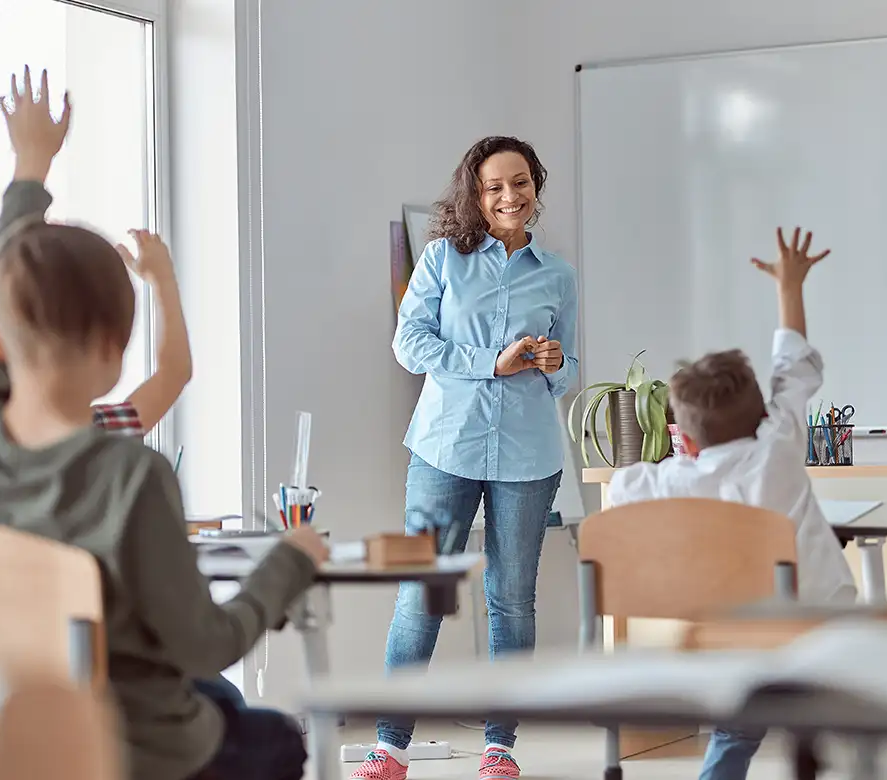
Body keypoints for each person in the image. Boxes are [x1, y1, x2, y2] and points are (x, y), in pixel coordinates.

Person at [0, 66, 327, 780]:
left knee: (220, 702)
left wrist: (30, 168)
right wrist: (290, 563)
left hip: (15, 729)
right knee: (272, 736)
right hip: (131, 745)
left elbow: (10, 290)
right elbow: (204, 643)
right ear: (114, 357)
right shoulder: (126, 470)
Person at [351, 136, 578, 780]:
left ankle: (499, 749)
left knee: (512, 599)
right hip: (445, 446)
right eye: (494, 187)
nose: (509, 196)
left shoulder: (557, 274)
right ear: (476, 195)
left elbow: (570, 366)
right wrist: (488, 363)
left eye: (520, 183)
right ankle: (389, 748)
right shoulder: (443, 258)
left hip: (529, 455)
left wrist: (558, 364)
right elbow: (409, 343)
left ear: (536, 186)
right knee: (423, 590)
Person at [608, 226, 857, 780]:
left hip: (735, 645)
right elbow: (794, 372)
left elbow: (624, 487)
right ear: (764, 417)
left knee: (739, 719)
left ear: (686, 439)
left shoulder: (669, 481)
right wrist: (789, 287)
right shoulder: (780, 449)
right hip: (819, 633)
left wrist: (680, 465)